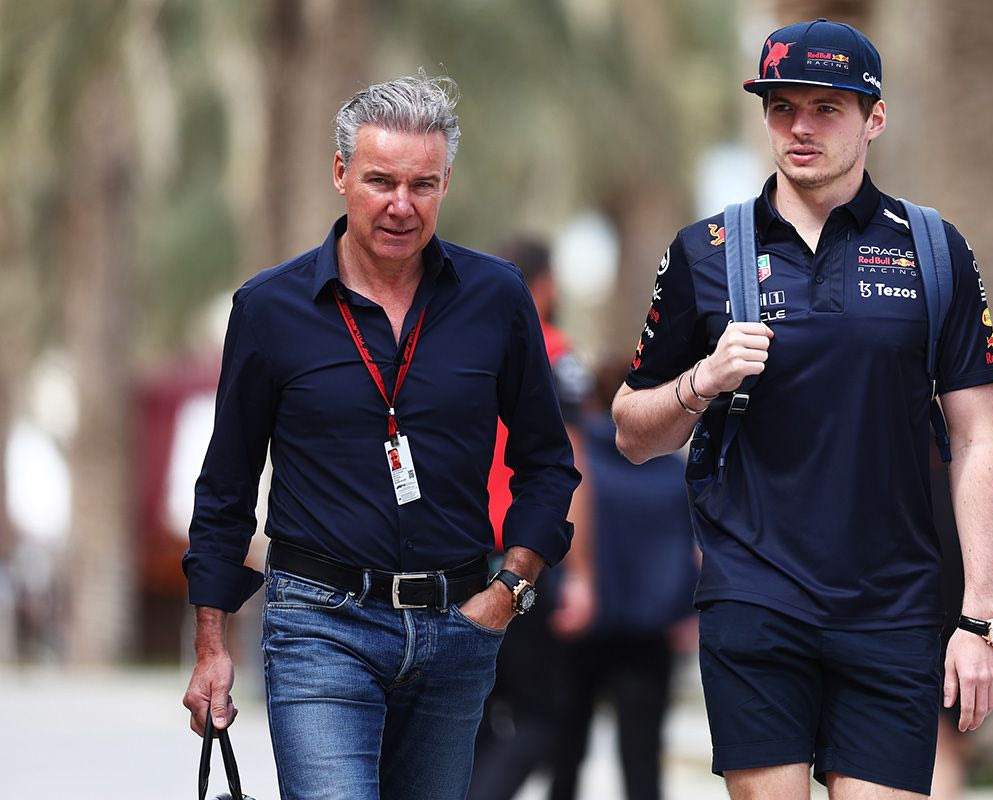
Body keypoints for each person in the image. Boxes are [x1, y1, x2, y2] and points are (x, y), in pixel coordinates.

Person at [612, 19, 993, 799]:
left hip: (894, 610)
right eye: (782, 107)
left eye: (827, 108)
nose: (800, 127)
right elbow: (630, 432)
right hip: (753, 599)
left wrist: (981, 621)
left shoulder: (935, 251)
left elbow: (977, 441)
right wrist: (702, 380)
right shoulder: (704, 251)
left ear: (874, 118)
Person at [180, 75, 580, 800]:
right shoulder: (270, 309)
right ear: (341, 174)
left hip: (457, 625)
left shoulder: (497, 298)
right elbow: (226, 486)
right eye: (381, 181)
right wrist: (211, 645)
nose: (402, 204)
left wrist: (510, 590)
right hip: (319, 626)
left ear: (446, 182)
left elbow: (548, 463)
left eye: (422, 184)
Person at [469, 238, 596, 800]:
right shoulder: (555, 352)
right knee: (541, 717)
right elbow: (572, 468)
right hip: (524, 559)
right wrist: (583, 574)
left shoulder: (464, 338)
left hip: (461, 555)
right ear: (543, 287)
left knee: (469, 716)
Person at [547, 353, 699, 800]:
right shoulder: (674, 471)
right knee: (642, 757)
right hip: (651, 630)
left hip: (580, 623)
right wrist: (690, 611)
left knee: (565, 750)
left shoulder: (577, 463)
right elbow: (694, 548)